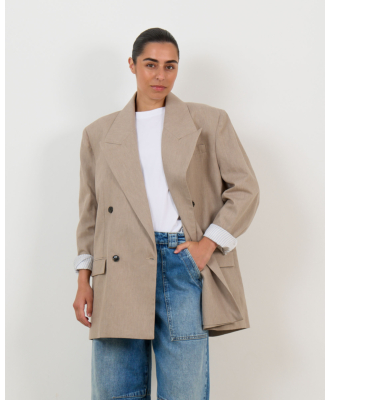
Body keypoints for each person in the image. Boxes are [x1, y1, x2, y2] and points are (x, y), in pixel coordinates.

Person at [73, 27, 260, 400]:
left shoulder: (208, 122)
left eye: (170, 66)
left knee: (185, 391)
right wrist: (83, 279)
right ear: (132, 65)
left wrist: (207, 245)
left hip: (181, 264)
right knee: (115, 390)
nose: (160, 75)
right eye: (150, 64)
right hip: (118, 267)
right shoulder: (98, 133)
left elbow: (246, 189)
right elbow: (90, 213)